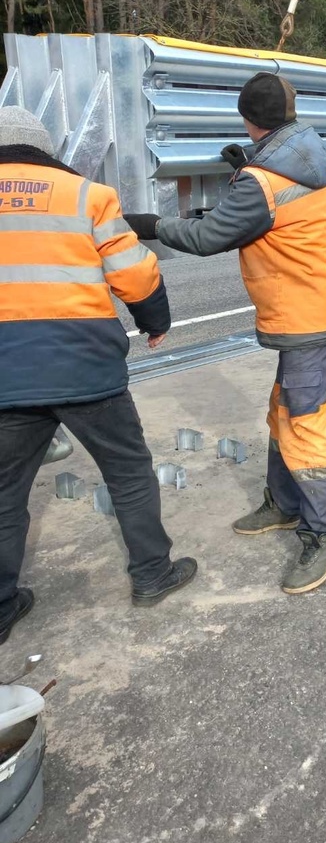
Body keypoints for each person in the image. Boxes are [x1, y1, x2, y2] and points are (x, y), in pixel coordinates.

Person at [124, 72, 326, 596]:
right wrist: (249, 169)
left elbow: (209, 236)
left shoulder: (263, 181)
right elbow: (288, 212)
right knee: (284, 409)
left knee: (303, 422)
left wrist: (149, 225)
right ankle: (284, 502)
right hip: (318, 305)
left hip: (306, 317)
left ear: (247, 120)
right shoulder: (315, 153)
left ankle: (325, 534)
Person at [0, 107, 197, 646]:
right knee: (128, 472)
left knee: (3, 492)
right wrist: (154, 321)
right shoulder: (85, 195)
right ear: (42, 148)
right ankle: (153, 576)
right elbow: (132, 271)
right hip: (84, 365)